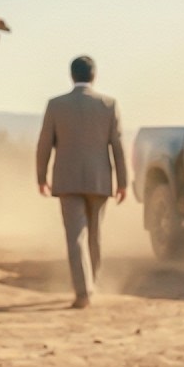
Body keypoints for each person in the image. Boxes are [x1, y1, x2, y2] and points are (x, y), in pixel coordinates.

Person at [35, 55, 128, 309]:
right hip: (100, 180)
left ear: (72, 75)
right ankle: (91, 283)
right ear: (94, 75)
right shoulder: (108, 104)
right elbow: (118, 146)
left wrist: (41, 177)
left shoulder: (56, 105)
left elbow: (44, 144)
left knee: (76, 236)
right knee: (95, 235)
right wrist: (123, 182)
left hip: (66, 180)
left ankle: (83, 290)